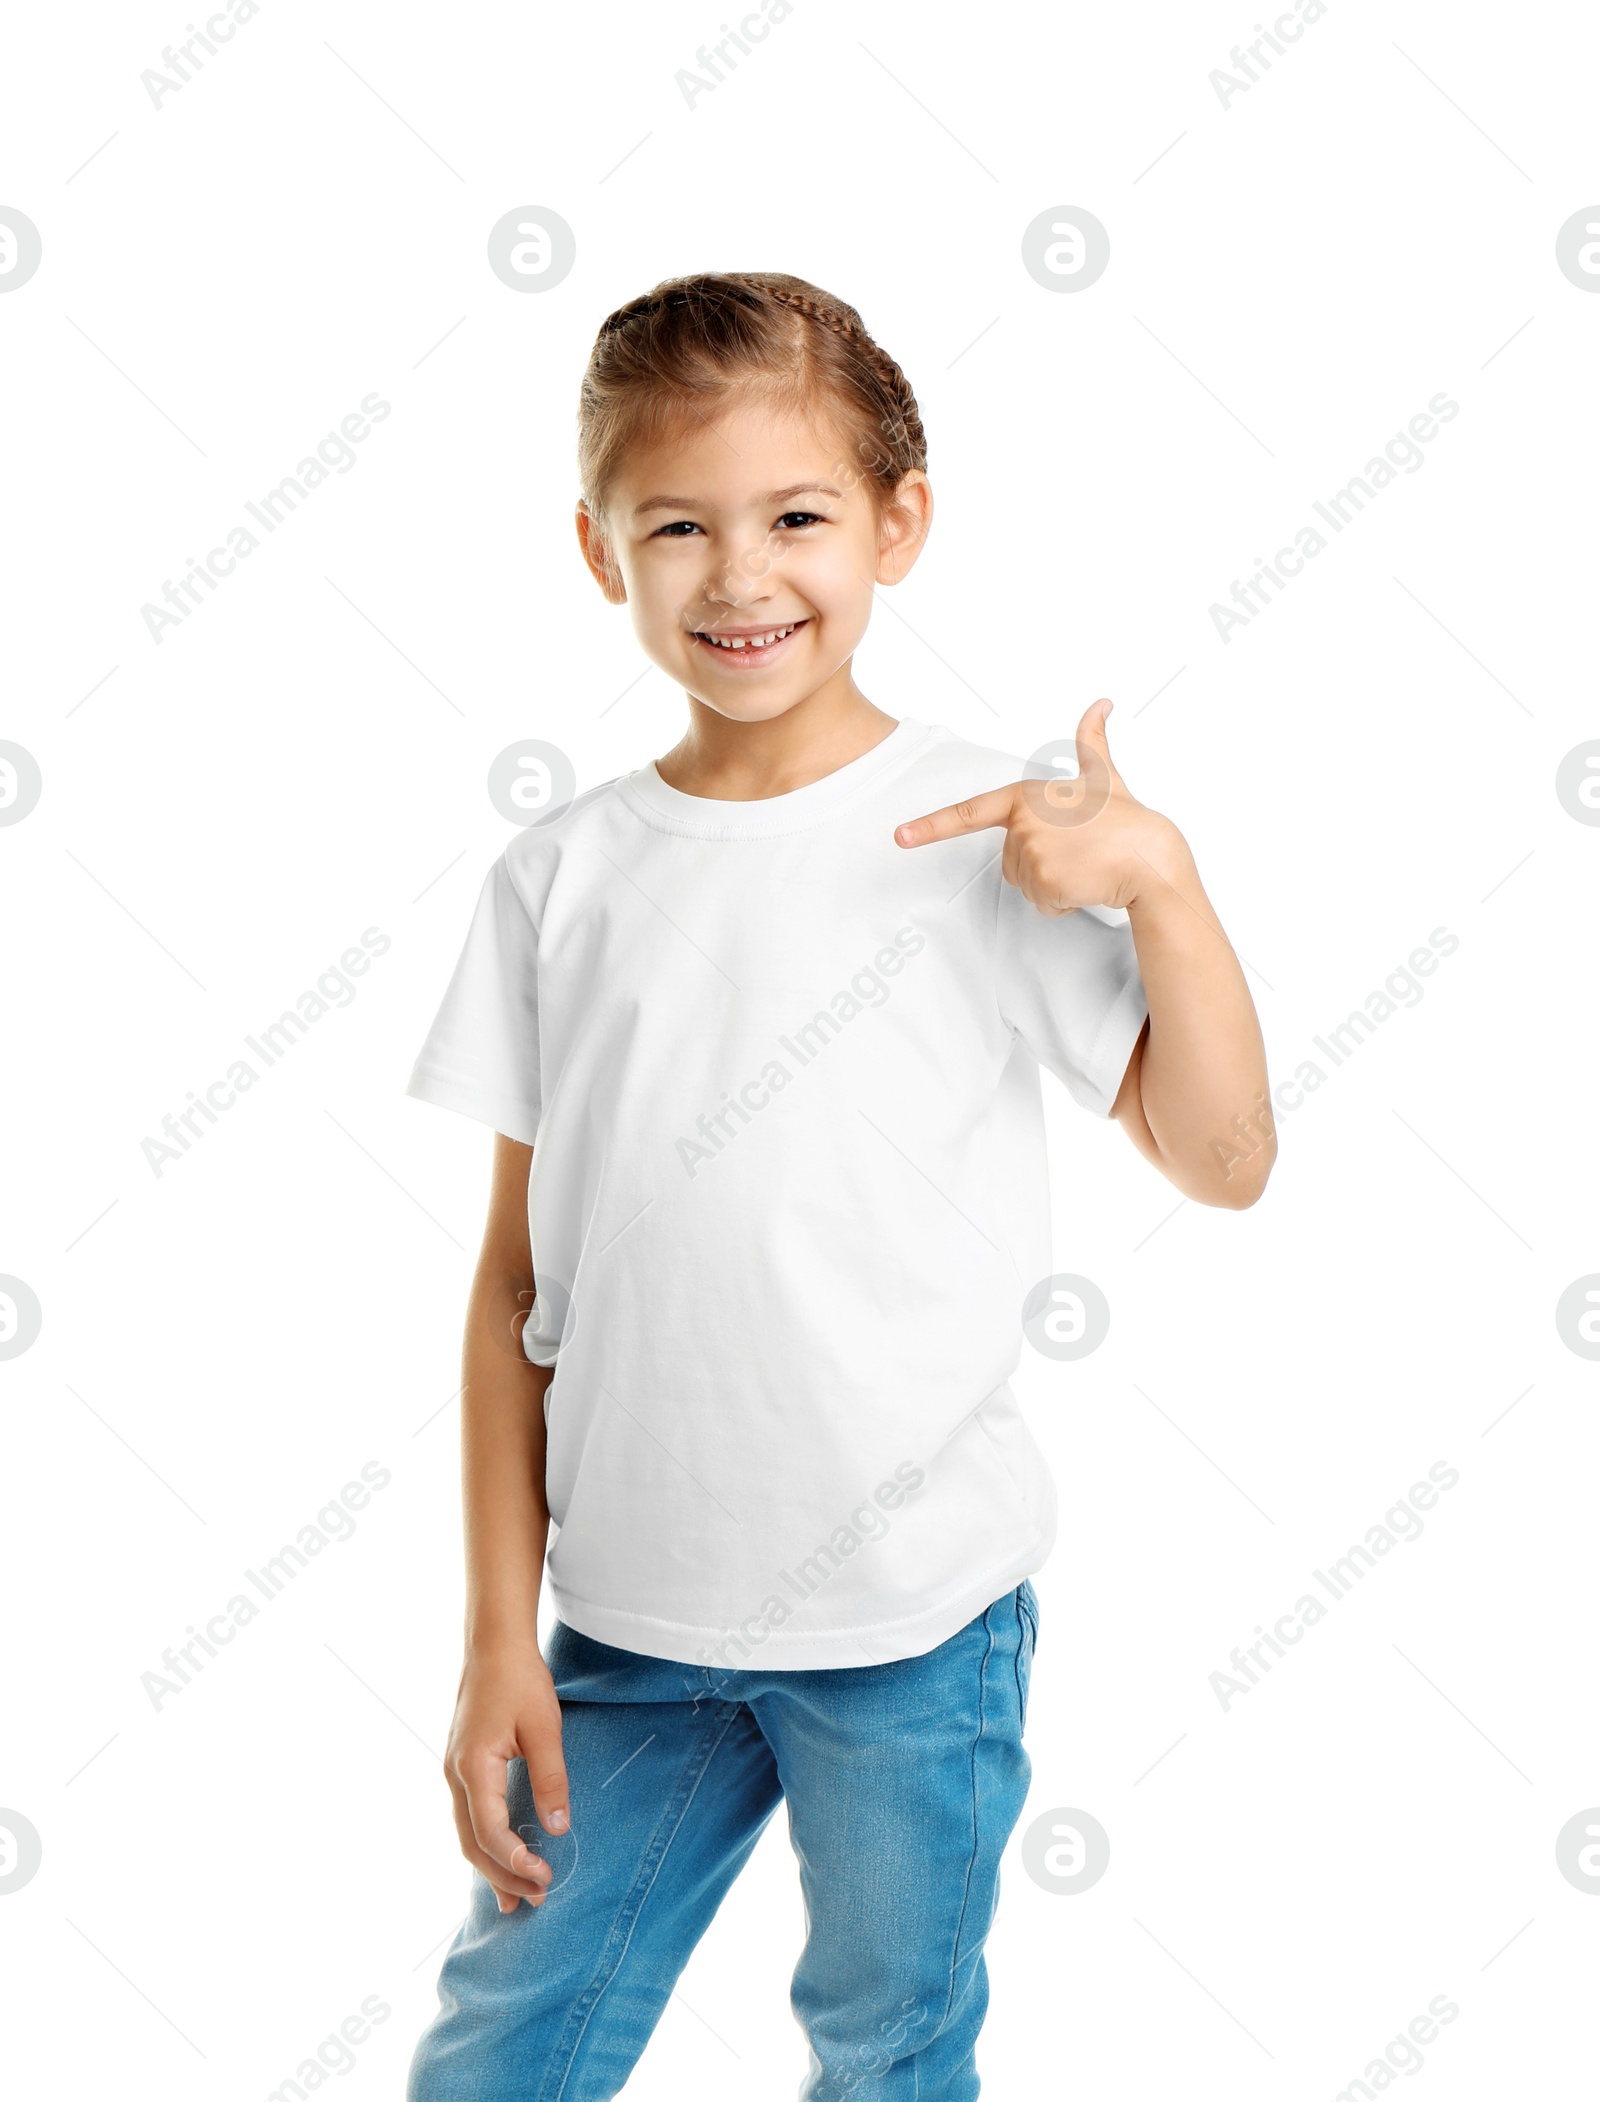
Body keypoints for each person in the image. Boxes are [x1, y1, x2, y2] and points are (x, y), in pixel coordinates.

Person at [404, 271, 1274, 2100]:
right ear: (597, 549)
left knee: (887, 2049)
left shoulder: (991, 832)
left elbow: (1223, 1157)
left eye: (797, 516)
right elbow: (509, 1290)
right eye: (679, 526)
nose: (741, 575)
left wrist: (1163, 887)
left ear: (900, 521)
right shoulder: (560, 878)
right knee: (505, 2054)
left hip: (912, 1634)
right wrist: (502, 1632)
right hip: (625, 1635)